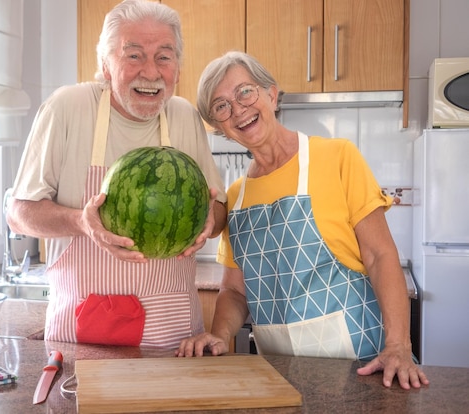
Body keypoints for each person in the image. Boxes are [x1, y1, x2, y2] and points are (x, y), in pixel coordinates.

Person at [175, 51, 429, 390]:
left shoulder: (337, 157)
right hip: (281, 376)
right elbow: (236, 291)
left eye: (245, 92)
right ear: (219, 127)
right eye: (221, 107)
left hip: (364, 367)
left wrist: (398, 346)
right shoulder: (236, 195)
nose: (238, 110)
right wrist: (220, 335)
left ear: (271, 94)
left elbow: (380, 257)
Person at [6, 0, 227, 349]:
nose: (151, 72)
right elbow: (18, 215)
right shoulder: (68, 108)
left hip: (175, 340)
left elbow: (218, 208)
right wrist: (82, 222)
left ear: (178, 68)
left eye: (164, 57)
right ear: (106, 66)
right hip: (84, 336)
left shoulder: (183, 115)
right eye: (134, 55)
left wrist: (208, 223)